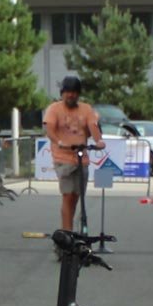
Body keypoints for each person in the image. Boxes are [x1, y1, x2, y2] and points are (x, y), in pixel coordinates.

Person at [43, 76, 105, 233]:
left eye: (74, 93)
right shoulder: (54, 109)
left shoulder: (86, 109)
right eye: (68, 92)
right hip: (63, 158)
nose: (71, 95)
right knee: (67, 195)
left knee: (76, 197)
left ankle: (70, 230)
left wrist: (99, 141)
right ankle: (67, 232)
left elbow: (93, 126)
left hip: (81, 159)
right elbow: (49, 128)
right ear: (62, 93)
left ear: (78, 94)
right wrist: (59, 142)